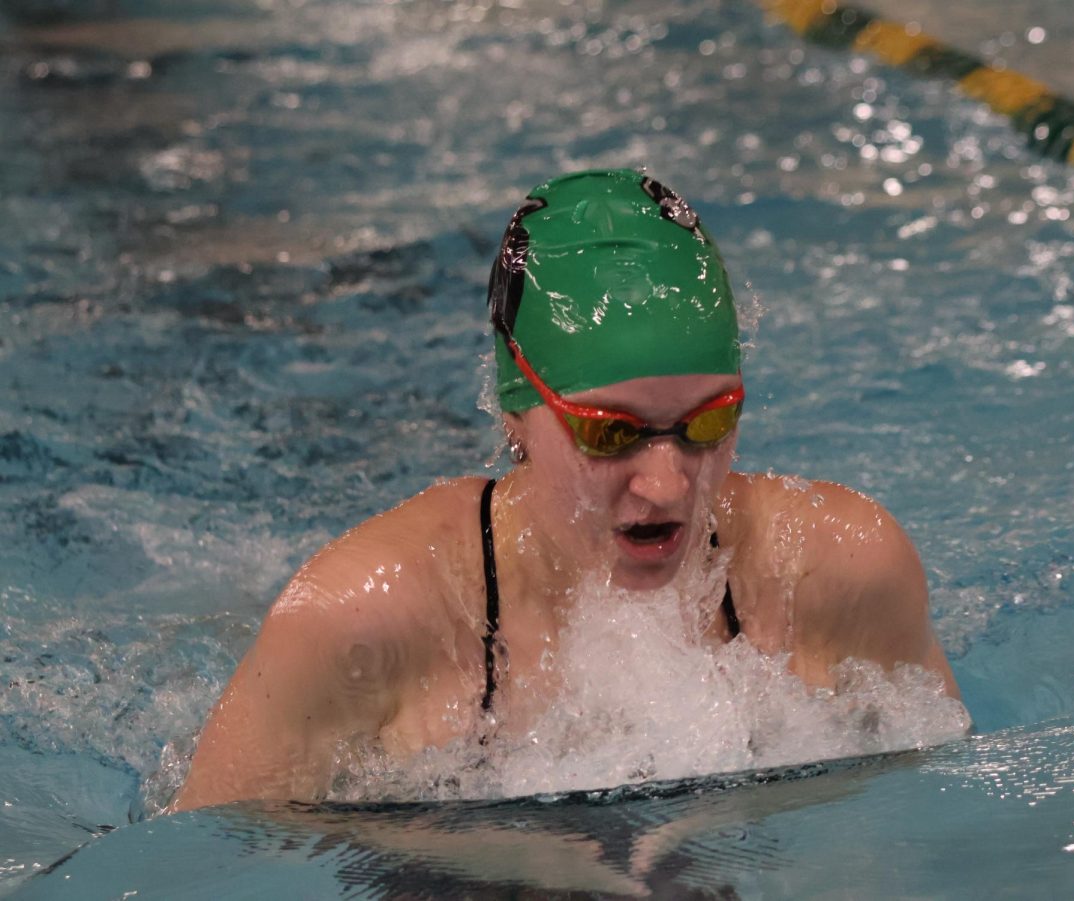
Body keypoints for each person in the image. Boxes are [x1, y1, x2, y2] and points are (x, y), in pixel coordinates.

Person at [172, 168, 961, 812]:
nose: (666, 484)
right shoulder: (359, 619)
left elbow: (944, 833)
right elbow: (201, 868)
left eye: (709, 421)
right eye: (611, 433)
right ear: (516, 411)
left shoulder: (840, 571)